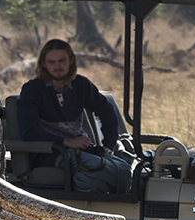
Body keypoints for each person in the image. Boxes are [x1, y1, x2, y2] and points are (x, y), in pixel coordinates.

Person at [15, 39, 132, 193]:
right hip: (51, 152)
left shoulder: (81, 85)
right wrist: (67, 142)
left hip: (80, 150)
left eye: (62, 61)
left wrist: (108, 146)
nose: (57, 66)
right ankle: (89, 203)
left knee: (124, 167)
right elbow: (28, 130)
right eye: (52, 62)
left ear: (71, 61)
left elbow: (106, 110)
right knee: (103, 169)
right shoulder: (32, 89)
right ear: (43, 64)